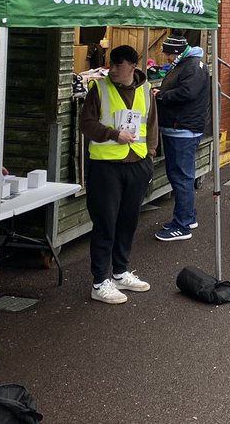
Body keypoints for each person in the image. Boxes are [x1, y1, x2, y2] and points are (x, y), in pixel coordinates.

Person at [79, 44, 157, 303]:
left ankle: (120, 272)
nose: (111, 69)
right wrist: (114, 134)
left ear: (132, 67)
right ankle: (100, 281)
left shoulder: (146, 90)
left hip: (137, 164)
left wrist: (150, 156)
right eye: (111, 64)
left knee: (128, 221)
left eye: (117, 65)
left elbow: (152, 124)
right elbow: (86, 124)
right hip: (106, 167)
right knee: (105, 224)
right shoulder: (99, 88)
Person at [153, 35, 209, 242]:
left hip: (182, 128)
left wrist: (161, 95)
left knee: (181, 176)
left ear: (175, 52)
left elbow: (187, 92)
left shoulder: (192, 66)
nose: (166, 58)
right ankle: (188, 217)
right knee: (183, 175)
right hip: (182, 127)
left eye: (167, 53)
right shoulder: (190, 64)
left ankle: (182, 224)